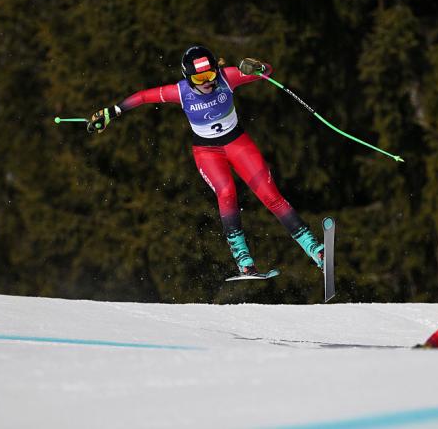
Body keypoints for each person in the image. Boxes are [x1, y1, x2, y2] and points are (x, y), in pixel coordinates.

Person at [88, 45, 324, 278]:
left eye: (210, 74)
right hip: (208, 152)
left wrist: (259, 67)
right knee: (227, 192)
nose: (207, 82)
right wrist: (112, 112)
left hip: (238, 144)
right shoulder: (179, 92)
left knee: (270, 195)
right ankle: (243, 260)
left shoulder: (226, 77)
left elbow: (267, 72)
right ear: (187, 77)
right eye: (200, 78)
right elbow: (143, 97)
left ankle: (314, 249)